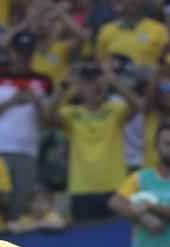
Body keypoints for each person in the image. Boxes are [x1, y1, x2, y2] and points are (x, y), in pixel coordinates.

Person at [47, 60, 139, 222]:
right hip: (82, 189)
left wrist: (114, 81)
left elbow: (136, 107)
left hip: (115, 188)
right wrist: (65, 86)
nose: (96, 85)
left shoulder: (115, 109)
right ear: (80, 88)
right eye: (89, 82)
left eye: (99, 80)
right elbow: (48, 115)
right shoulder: (71, 114)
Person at [0, 31, 53, 218]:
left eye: (28, 52)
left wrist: (36, 101)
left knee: (20, 206)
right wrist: (11, 102)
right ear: (11, 52)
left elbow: (48, 121)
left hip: (27, 151)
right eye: (20, 52)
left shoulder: (43, 80)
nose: (23, 57)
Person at [96, 0, 170, 67]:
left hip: (149, 76)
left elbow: (169, 60)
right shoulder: (106, 30)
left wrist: (158, 73)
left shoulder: (159, 30)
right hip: (115, 76)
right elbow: (100, 60)